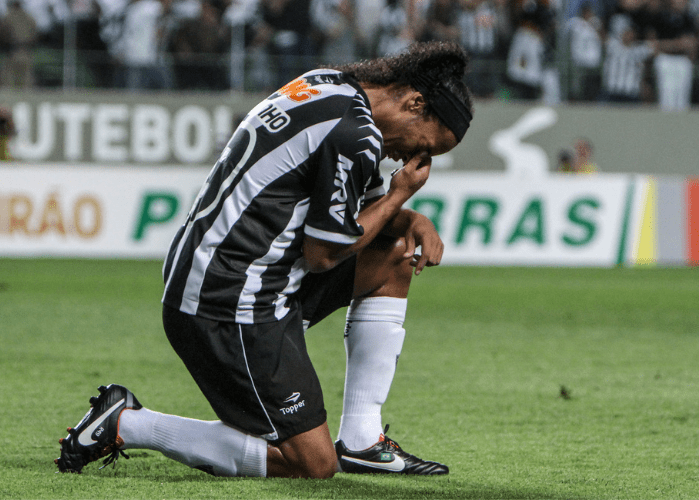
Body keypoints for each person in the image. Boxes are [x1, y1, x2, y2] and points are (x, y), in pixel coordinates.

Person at [56, 41, 474, 479]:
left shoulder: (325, 83)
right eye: (422, 145)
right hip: (228, 300)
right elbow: (324, 253)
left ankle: (363, 440)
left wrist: (407, 217)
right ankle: (128, 422)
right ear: (414, 102)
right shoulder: (356, 133)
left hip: (228, 275)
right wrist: (401, 195)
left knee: (394, 256)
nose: (410, 159)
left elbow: (352, 218)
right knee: (312, 465)